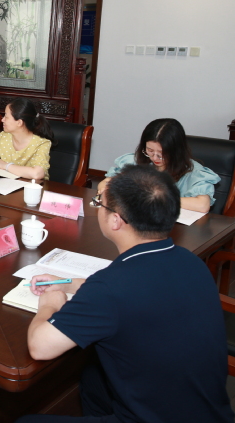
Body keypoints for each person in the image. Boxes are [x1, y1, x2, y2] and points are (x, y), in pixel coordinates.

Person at [19, 165, 233, 423]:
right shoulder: (190, 261)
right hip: (208, 411)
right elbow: (135, 292)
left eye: (100, 203)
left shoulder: (111, 287)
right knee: (93, 378)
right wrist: (69, 284)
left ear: (115, 220)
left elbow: (40, 347)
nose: (98, 208)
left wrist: (50, 304)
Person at [98, 118, 219, 213]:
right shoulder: (135, 161)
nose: (154, 158)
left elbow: (202, 205)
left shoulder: (194, 172)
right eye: (150, 150)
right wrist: (106, 189)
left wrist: (155, 199)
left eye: (162, 154)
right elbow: (106, 183)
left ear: (176, 151)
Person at [0, 97, 53, 180]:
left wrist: (6, 166)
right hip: (8, 185)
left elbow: (37, 174)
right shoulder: (4, 137)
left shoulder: (41, 143)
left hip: (33, 188)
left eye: (6, 117)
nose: (2, 120)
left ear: (19, 122)